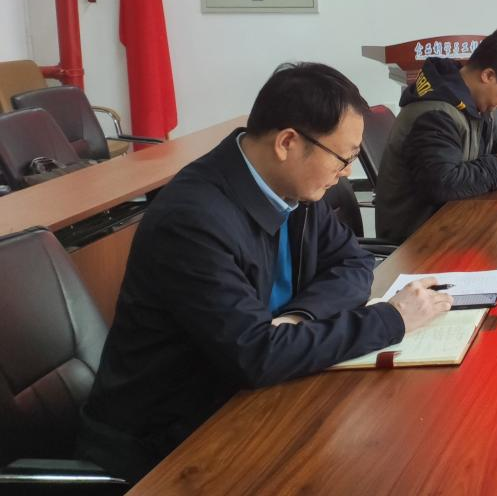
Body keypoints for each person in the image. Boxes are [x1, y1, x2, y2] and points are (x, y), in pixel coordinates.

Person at [78, 63, 453, 482]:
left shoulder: (293, 188)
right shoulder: (192, 220)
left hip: (248, 400)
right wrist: (391, 319)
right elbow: (255, 356)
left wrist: (297, 319)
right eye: (344, 157)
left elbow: (353, 263)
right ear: (287, 143)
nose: (348, 171)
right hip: (167, 444)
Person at [373, 26, 497, 243]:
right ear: (488, 76)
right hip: (418, 239)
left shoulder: (468, 99)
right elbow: (443, 183)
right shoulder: (435, 113)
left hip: (453, 222)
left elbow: (486, 143)